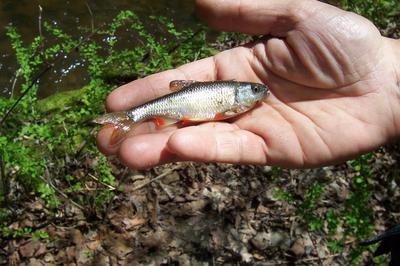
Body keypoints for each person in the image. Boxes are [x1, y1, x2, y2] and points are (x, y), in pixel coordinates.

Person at [96, 0, 400, 171]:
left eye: (255, 90)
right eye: (254, 90)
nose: (259, 92)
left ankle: (130, 117)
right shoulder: (234, 97)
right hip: (183, 104)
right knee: (144, 121)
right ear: (241, 92)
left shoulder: (237, 98)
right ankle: (130, 117)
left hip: (187, 103)